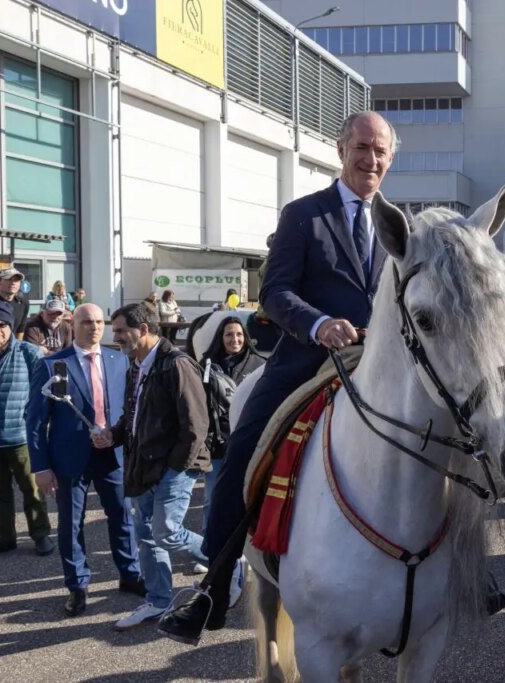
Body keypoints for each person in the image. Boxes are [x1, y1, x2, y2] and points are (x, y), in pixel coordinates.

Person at [159, 110, 398, 642]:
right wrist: (318, 324)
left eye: (381, 150)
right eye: (362, 147)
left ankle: (454, 572)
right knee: (241, 453)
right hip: (306, 361)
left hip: (380, 362)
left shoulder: (395, 221)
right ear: (341, 150)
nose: (371, 159)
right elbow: (274, 292)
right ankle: (211, 591)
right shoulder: (304, 215)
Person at [98, 303, 213, 631]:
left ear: (144, 329)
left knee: (167, 532)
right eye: (115, 330)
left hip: (173, 469)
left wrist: (176, 469)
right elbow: (133, 416)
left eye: (121, 331)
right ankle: (158, 600)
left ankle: (224, 563)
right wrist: (114, 435)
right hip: (142, 467)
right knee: (147, 536)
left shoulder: (176, 364)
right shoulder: (136, 365)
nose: (115, 336)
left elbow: (196, 425)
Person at [28, 304, 144, 616]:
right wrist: (40, 466)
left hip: (111, 453)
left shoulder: (119, 360)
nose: (93, 328)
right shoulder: (54, 365)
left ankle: (130, 574)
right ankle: (77, 585)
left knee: (121, 516)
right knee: (70, 524)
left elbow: (129, 408)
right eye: (85, 322)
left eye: (97, 322)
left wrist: (119, 439)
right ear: (72, 324)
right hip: (69, 458)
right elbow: (36, 421)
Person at [195, 316, 265, 550]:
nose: (234, 339)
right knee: (211, 500)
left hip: (248, 444)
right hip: (216, 444)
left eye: (238, 334)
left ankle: (245, 548)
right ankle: (210, 547)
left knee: (248, 499)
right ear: (220, 338)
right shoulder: (206, 364)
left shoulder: (260, 364)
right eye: (228, 334)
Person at [0, 302, 53, 556]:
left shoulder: (29, 353)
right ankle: (5, 536)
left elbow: (44, 393)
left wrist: (34, 423)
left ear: (11, 326)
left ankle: (40, 535)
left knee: (32, 491)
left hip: (21, 437)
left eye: (2, 325)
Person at [0, 268, 28, 336]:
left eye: (17, 280)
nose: (13, 283)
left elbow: (21, 329)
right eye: (9, 279)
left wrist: (17, 346)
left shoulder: (23, 303)